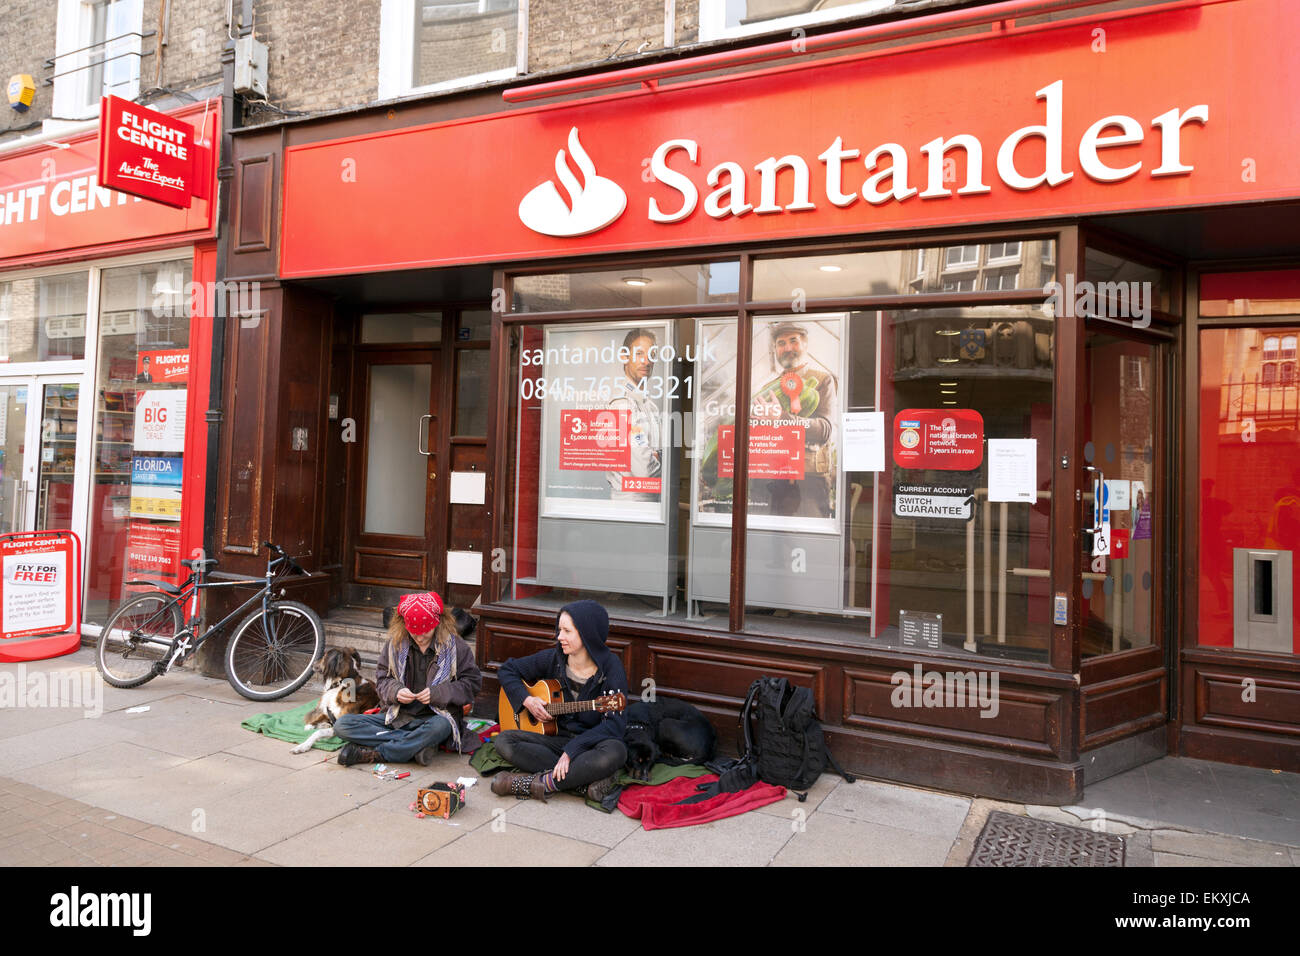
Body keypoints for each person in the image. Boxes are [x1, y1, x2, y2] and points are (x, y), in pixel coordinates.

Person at [492, 600, 628, 801]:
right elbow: (508, 670)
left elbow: (614, 726)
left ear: (587, 634)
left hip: (591, 744)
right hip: (556, 740)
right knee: (504, 740)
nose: (559, 637)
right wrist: (527, 700)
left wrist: (572, 751)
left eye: (567, 631)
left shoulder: (611, 667)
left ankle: (533, 784)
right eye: (559, 629)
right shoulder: (554, 659)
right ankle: (581, 782)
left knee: (616, 752)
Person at [334, 591, 482, 766]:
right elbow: (382, 680)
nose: (419, 637)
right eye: (414, 632)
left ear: (437, 624)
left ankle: (378, 754)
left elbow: (472, 684)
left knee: (440, 727)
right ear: (405, 626)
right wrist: (396, 691)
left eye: (425, 631)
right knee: (343, 725)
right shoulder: (395, 644)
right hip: (398, 716)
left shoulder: (456, 647)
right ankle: (414, 745)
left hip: (437, 717)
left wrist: (437, 693)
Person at [751, 320, 838, 518]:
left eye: (793, 341)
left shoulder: (822, 379)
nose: (788, 348)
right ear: (775, 350)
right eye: (781, 343)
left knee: (808, 542)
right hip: (771, 480)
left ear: (805, 344)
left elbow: (824, 430)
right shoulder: (768, 388)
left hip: (809, 482)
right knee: (768, 544)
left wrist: (782, 417)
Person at [606, 327, 662, 502]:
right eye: (639, 354)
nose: (646, 361)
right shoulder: (622, 405)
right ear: (625, 357)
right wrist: (657, 460)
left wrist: (656, 457)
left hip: (651, 501)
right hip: (630, 503)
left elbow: (655, 456)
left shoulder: (650, 407)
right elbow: (644, 468)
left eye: (651, 355)